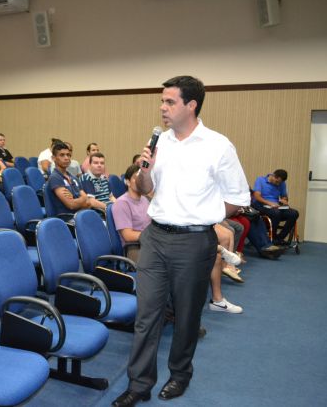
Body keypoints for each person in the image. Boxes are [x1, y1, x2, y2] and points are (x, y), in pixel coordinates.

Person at [112, 76, 250, 407]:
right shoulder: (161, 142)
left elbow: (238, 197)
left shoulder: (218, 145)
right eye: (162, 101)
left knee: (187, 315)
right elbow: (145, 188)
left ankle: (179, 375)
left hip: (194, 240)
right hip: (155, 236)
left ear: (191, 105)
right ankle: (139, 384)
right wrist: (146, 170)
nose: (162, 107)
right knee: (147, 315)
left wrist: (204, 215)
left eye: (170, 101)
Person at [48, 141, 106, 216]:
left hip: (80, 215)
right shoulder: (55, 177)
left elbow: (88, 201)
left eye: (68, 155)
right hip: (67, 219)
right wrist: (82, 198)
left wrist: (76, 199)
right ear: (53, 158)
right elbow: (71, 205)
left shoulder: (73, 178)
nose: (66, 158)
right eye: (62, 155)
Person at [112, 164, 149, 262]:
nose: (140, 181)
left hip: (148, 242)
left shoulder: (144, 199)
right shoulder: (121, 203)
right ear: (128, 182)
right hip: (134, 247)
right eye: (136, 178)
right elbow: (128, 235)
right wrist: (152, 235)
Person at [252, 169, 299, 245]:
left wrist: (284, 200)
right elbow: (256, 196)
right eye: (277, 182)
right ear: (273, 176)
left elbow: (284, 196)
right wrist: (270, 203)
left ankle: (279, 238)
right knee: (276, 213)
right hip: (262, 206)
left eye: (280, 183)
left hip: (276, 207)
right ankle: (273, 238)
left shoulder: (282, 183)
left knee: (294, 213)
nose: (278, 184)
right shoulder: (260, 180)